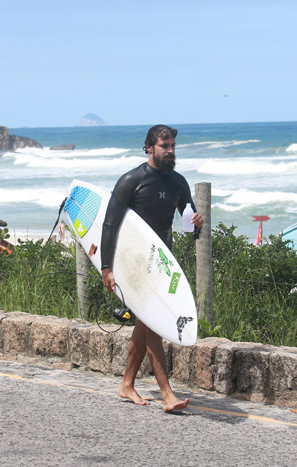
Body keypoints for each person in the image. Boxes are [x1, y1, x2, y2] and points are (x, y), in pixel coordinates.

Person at [100, 124, 203, 413]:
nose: (170, 151)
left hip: (160, 262)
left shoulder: (179, 183)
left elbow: (189, 224)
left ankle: (126, 384)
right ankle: (167, 394)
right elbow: (109, 225)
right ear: (149, 148)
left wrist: (198, 225)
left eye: (172, 146)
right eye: (164, 146)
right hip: (132, 263)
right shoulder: (132, 180)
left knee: (144, 324)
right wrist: (107, 267)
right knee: (153, 324)